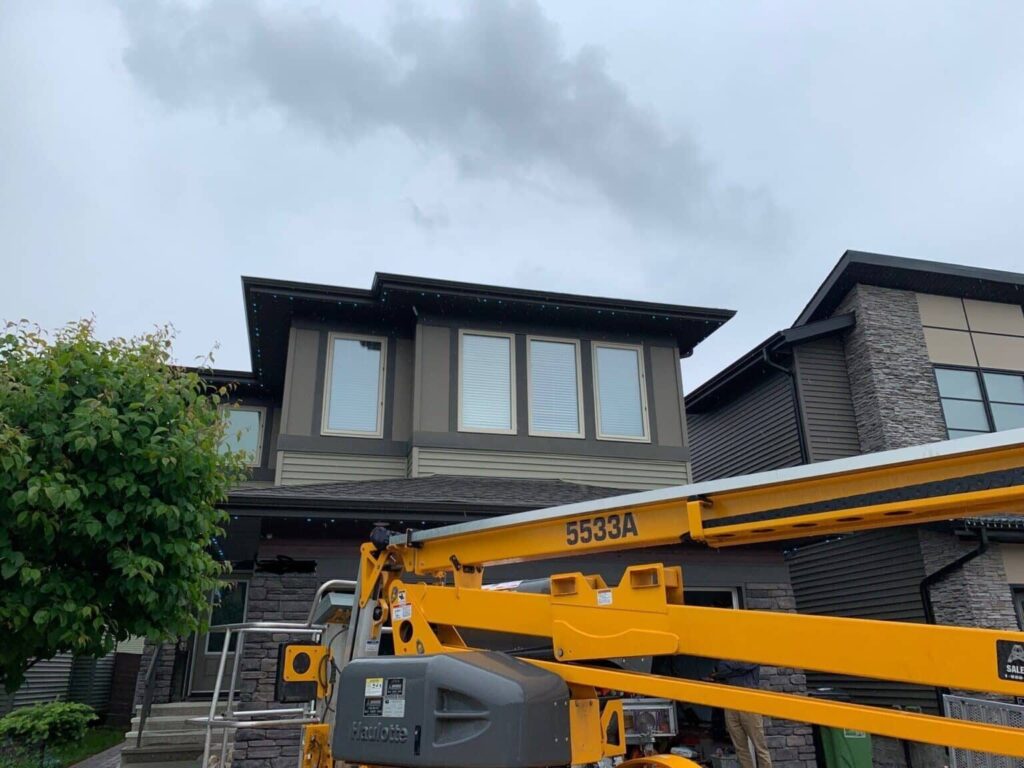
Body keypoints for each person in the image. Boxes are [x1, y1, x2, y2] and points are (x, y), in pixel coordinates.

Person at [707, 660, 773, 768]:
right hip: (731, 702)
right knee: (740, 747)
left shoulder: (751, 650)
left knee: (759, 746)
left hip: (749, 700)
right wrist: (734, 670)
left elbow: (743, 665)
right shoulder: (729, 653)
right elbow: (721, 667)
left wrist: (729, 670)